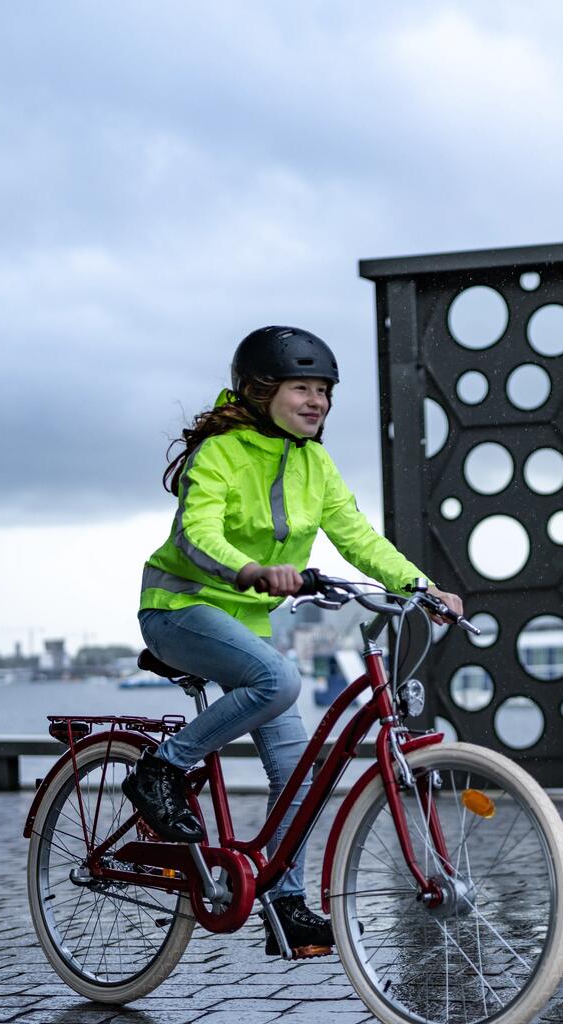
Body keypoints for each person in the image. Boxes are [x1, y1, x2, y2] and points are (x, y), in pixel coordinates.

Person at [123, 325, 464, 955]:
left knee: (299, 771)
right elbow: (198, 536)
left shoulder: (316, 463)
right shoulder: (221, 454)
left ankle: (285, 903)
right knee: (278, 681)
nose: (317, 402)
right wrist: (250, 572)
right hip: (180, 608)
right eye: (301, 388)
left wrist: (422, 586)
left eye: (325, 391)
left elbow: (358, 537)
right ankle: (161, 770)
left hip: (244, 626)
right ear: (259, 391)